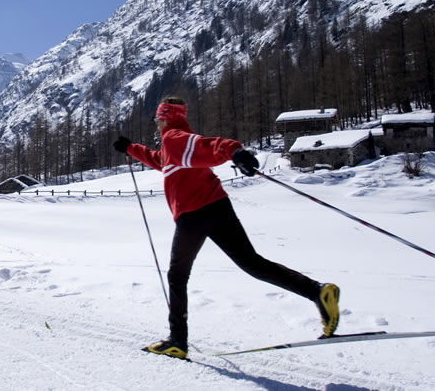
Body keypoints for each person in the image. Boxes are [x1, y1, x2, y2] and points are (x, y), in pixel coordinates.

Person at [114, 96, 339, 359]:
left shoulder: (174, 138)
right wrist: (131, 148)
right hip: (217, 206)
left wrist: (233, 150)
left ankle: (177, 340)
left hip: (193, 214)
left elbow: (209, 145)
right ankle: (317, 291)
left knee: (177, 275)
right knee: (252, 263)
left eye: (158, 119)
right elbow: (162, 161)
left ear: (165, 117)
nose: (157, 125)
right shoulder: (176, 144)